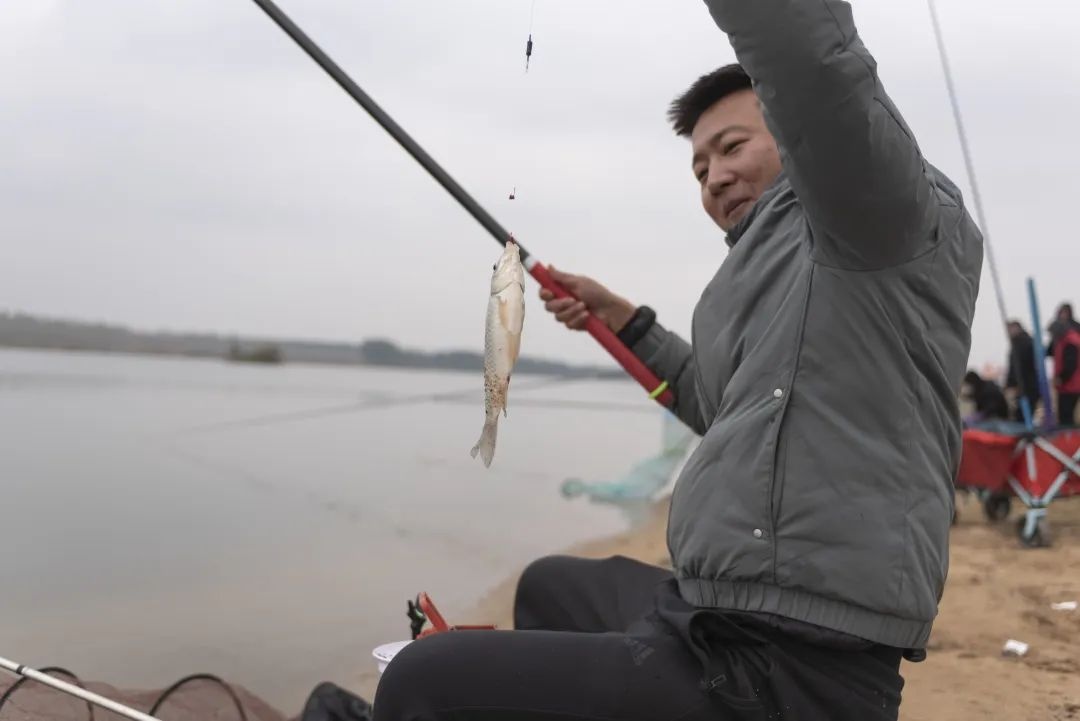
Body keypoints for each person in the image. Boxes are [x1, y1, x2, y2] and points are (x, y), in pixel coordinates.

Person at [372, 1, 983, 719]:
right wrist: (623, 320)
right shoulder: (756, 275)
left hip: (794, 661)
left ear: (795, 131)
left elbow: (811, 64)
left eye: (732, 146)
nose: (713, 177)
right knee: (547, 585)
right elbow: (714, 404)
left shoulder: (881, 216)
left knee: (419, 678)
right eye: (699, 167)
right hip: (714, 610)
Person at [1048, 305, 1080, 427]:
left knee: (1066, 417)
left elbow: (1071, 364)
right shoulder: (1062, 341)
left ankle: (1068, 437)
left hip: (1070, 385)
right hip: (1069, 385)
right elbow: (1050, 352)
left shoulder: (1070, 341)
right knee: (1066, 416)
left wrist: (1061, 378)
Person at [1005, 320, 1040, 423]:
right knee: (1023, 413)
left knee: (1022, 415)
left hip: (1026, 385)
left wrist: (1011, 383)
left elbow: (1018, 366)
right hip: (1027, 384)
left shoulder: (1021, 343)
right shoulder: (1023, 342)